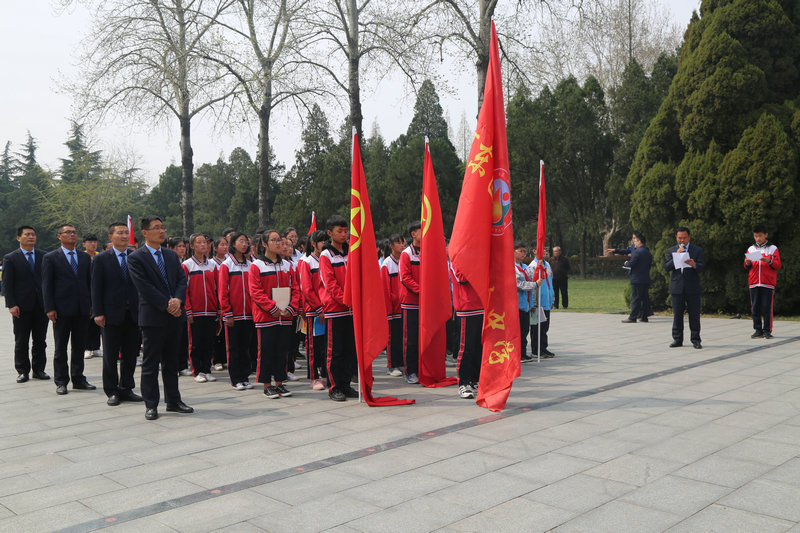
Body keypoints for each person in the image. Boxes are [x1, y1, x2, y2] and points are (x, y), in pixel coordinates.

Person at [128, 216, 193, 420]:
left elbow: (182, 281)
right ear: (145, 232)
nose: (162, 231)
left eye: (163, 227)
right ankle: (151, 404)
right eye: (156, 228)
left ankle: (173, 400)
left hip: (175, 316)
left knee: (171, 362)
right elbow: (144, 287)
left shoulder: (171, 256)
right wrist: (167, 304)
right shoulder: (136, 257)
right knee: (150, 363)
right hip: (153, 316)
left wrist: (178, 300)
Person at [91, 222, 143, 406]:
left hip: (134, 314)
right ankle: (112, 390)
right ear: (111, 236)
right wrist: (98, 312)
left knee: (130, 354)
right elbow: (96, 288)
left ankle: (127, 388)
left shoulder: (136, 257)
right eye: (120, 233)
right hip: (111, 314)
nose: (123, 236)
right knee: (110, 356)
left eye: (126, 233)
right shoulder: (101, 259)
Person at [42, 224, 95, 394]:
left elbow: (90, 283)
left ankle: (78, 379)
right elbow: (47, 285)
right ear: (59, 236)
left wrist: (92, 304)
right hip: (61, 309)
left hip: (82, 309)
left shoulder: (85, 257)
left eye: (74, 232)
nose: (72, 235)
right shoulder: (51, 257)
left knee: (79, 346)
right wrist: (49, 308)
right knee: (60, 347)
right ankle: (61, 381)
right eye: (68, 232)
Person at [248, 230, 300, 399]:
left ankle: (280, 382)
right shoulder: (257, 266)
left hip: (285, 316)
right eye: (274, 240)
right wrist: (273, 308)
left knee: (282, 350)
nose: (279, 244)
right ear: (264, 244)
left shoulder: (288, 265)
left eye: (280, 240)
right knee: (266, 351)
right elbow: (256, 292)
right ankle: (266, 384)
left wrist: (291, 308)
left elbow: (296, 289)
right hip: (266, 317)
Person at [318, 216, 359, 401]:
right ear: (329, 233)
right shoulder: (326, 255)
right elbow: (330, 284)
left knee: (350, 349)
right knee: (335, 350)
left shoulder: (351, 251)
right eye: (339, 231)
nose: (344, 234)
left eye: (345, 231)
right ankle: (334, 387)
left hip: (352, 310)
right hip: (336, 310)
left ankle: (346, 384)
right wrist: (346, 299)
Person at [3, 225, 50, 383]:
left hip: (41, 305)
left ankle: (39, 369)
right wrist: (11, 304)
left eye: (33, 234)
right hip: (21, 306)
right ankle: (23, 370)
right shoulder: (11, 258)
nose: (31, 237)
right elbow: (7, 284)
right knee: (21, 340)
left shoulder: (44, 256)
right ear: (19, 238)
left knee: (40, 340)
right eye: (27, 235)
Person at [218, 232, 255, 390]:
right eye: (241, 241)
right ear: (233, 244)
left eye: (246, 241)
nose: (245, 244)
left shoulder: (250, 264)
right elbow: (223, 291)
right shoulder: (227, 265)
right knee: (234, 347)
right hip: (234, 314)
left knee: (246, 347)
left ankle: (245, 376)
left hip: (249, 313)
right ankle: (235, 378)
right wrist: (227, 313)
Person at [183, 233, 220, 383]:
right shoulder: (187, 265)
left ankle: (206, 369)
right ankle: (197, 370)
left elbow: (218, 288)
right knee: (196, 342)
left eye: (205, 242)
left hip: (211, 310)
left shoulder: (213, 265)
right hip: (195, 311)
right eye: (199, 242)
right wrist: (188, 309)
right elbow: (183, 289)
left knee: (209, 341)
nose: (203, 245)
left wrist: (218, 308)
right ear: (192, 246)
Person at [664, 227, 705, 349]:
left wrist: (694, 265)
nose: (682, 240)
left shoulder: (697, 250)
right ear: (676, 238)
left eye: (684, 238)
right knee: (677, 315)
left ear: (689, 237)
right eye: (679, 238)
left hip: (692, 287)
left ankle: (696, 339)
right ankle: (677, 339)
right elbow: (666, 267)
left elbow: (703, 267)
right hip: (677, 287)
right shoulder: (671, 250)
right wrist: (676, 255)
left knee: (694, 315)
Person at [298, 230, 329, 391]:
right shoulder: (307, 262)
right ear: (313, 244)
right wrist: (318, 309)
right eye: (321, 241)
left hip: (329, 309)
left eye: (326, 240)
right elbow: (307, 288)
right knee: (313, 346)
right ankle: (313, 377)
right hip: (314, 311)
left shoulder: (327, 259)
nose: (324, 244)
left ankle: (325, 374)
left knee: (326, 345)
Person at [450, 262, 483, 399]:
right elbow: (461, 278)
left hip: (481, 305)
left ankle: (476, 379)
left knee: (479, 347)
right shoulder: (456, 259)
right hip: (466, 308)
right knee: (466, 348)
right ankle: (463, 383)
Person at [607, 231, 653, 323]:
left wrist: (626, 263)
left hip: (637, 279)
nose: (634, 243)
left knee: (636, 298)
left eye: (635, 241)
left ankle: (632, 317)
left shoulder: (637, 252)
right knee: (644, 298)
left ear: (639, 241)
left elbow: (631, 263)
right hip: (645, 278)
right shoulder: (648, 252)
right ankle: (644, 317)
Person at [744, 224, 781, 339]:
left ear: (766, 235)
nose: (758, 239)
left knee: (767, 307)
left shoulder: (772, 248)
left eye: (760, 236)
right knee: (755, 307)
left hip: (767, 283)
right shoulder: (751, 249)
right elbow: (746, 265)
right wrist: (748, 262)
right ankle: (758, 330)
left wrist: (768, 261)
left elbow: (778, 265)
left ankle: (767, 330)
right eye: (755, 236)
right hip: (754, 282)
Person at [399, 221, 422, 384]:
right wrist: (422, 291)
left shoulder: (429, 251)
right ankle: (410, 371)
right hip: (411, 302)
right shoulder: (407, 254)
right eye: (422, 230)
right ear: (413, 234)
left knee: (425, 338)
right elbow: (405, 277)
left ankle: (423, 368)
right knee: (411, 338)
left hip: (426, 303)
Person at [380, 234, 405, 376]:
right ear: (391, 246)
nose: (402, 245)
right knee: (392, 338)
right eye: (398, 243)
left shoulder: (405, 260)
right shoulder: (387, 264)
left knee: (403, 337)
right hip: (393, 308)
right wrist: (388, 311)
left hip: (404, 307)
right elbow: (385, 290)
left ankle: (402, 363)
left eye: (403, 243)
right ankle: (392, 365)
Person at [529, 248, 555, 358]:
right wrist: (533, 303)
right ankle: (536, 349)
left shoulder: (547, 264)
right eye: (541, 249)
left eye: (545, 249)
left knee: (545, 327)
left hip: (546, 300)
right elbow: (532, 286)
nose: (544, 251)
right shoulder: (533, 266)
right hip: (538, 302)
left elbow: (550, 282)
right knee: (537, 327)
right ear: (534, 250)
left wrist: (552, 299)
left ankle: (543, 347)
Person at [514, 242, 535, 363]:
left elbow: (533, 275)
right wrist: (533, 285)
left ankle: (523, 352)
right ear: (513, 252)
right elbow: (518, 284)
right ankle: (518, 354)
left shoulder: (525, 267)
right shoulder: (512, 267)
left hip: (526, 304)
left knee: (525, 330)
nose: (523, 253)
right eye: (520, 251)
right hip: (516, 304)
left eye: (524, 251)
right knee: (519, 331)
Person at [82, 233, 102, 360]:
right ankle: (87, 348)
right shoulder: (82, 257)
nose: (93, 244)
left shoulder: (100, 256)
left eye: (94, 242)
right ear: (84, 244)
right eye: (89, 242)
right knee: (87, 323)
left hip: (98, 291)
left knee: (97, 323)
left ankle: (96, 347)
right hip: (86, 292)